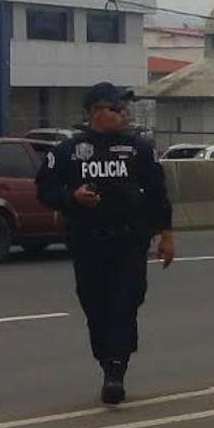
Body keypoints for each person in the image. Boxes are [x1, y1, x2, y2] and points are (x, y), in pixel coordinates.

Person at [35, 82, 175, 405]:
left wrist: (166, 234)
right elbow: (44, 189)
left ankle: (116, 370)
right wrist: (72, 197)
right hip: (88, 243)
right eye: (115, 109)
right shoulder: (68, 151)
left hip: (129, 242)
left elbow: (158, 194)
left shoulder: (139, 150)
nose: (123, 114)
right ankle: (106, 361)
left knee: (125, 302)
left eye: (123, 109)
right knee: (96, 307)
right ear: (95, 112)